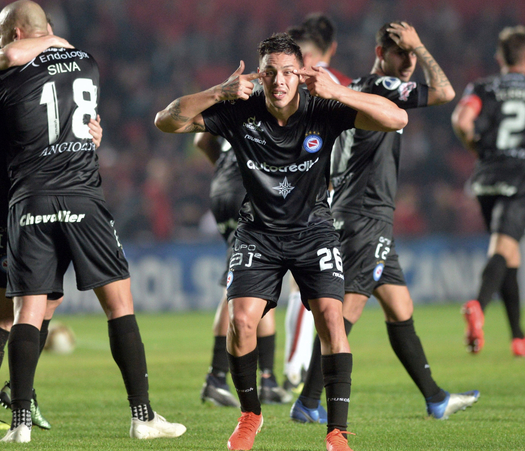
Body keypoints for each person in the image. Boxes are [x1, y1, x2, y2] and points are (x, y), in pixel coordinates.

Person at [156, 32, 407, 451]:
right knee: (240, 322)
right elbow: (166, 121)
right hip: (258, 233)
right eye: (270, 73)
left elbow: (396, 118)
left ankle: (337, 432)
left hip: (314, 230)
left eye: (288, 72)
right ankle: (251, 414)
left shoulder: (323, 107)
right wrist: (218, 90)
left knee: (331, 317)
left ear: (300, 73)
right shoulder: (239, 109)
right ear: (260, 74)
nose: (279, 81)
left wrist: (339, 92)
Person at [0, 1, 185, 442]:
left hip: (29, 200)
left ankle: (19, 424)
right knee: (119, 306)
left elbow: (11, 61)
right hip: (83, 197)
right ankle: (142, 416)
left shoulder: (6, 73)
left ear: (17, 34)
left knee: (28, 311)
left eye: (2, 35)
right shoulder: (87, 62)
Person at [291, 21, 479, 425]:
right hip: (366, 216)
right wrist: (424, 45)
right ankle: (307, 402)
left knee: (399, 306)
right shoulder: (383, 88)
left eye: (411, 55)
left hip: (357, 212)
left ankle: (435, 398)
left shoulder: (354, 90)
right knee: (346, 313)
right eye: (402, 54)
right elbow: (446, 92)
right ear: (381, 54)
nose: (409, 61)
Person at [0, 29, 104, 439]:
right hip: (0, 206)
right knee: (4, 311)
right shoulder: (0, 71)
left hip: (32, 202)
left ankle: (20, 391)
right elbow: (11, 52)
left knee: (47, 300)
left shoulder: (40, 81)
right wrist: (57, 40)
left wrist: (83, 136)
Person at [452, 25, 525, 357]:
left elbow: (463, 121)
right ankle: (478, 303)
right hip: (520, 178)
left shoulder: (483, 86)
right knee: (503, 248)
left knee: (509, 252)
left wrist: (473, 146)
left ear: (500, 58)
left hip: (487, 175)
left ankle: (518, 336)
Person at [282, 14, 353, 395]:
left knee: (302, 286)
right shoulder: (338, 81)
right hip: (335, 191)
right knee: (318, 288)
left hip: (294, 190)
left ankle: (295, 367)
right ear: (333, 46)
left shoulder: (290, 78)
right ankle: (298, 368)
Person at [195, 132, 291, 407]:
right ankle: (216, 378)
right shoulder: (275, 99)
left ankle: (268, 380)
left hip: (222, 188)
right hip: (246, 189)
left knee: (259, 279)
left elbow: (201, 140)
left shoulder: (236, 95)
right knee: (245, 283)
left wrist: (228, 166)